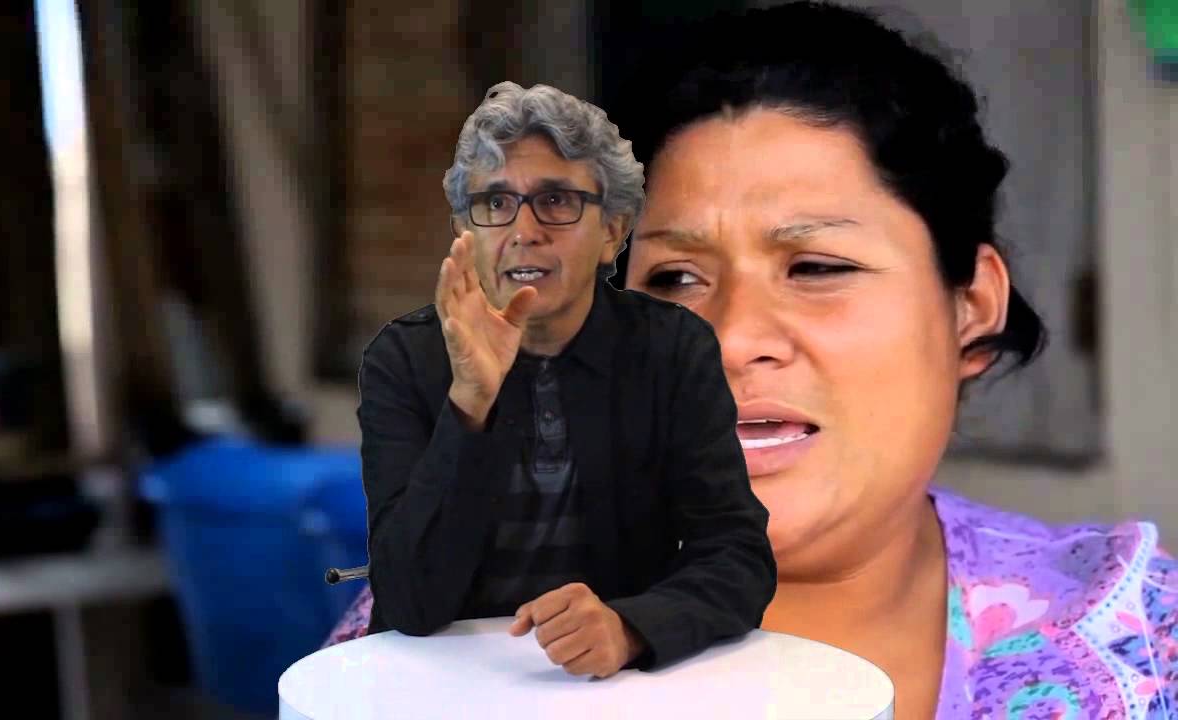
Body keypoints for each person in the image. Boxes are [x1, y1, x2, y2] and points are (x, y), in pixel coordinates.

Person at [328, 4, 1177, 716]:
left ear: (973, 304)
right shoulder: (459, 618)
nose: (728, 339)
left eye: (816, 268)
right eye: (675, 279)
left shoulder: (1133, 643)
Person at [351, 81, 776, 678]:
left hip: (612, 683)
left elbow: (738, 557)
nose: (524, 230)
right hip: (441, 678)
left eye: (556, 201)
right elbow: (409, 603)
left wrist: (633, 627)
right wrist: (471, 400)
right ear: (465, 233)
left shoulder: (672, 350)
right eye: (495, 203)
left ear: (613, 232)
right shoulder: (404, 358)